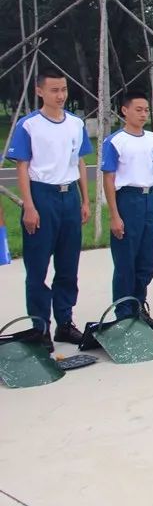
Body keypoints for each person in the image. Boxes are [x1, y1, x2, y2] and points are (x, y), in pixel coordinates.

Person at [6, 68, 92, 349]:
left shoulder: (76, 124)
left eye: (64, 90)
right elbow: (22, 167)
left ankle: (65, 323)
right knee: (38, 267)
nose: (61, 96)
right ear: (40, 91)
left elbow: (79, 161)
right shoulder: (28, 125)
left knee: (68, 266)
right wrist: (28, 206)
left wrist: (85, 200)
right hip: (42, 197)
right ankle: (40, 327)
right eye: (54, 90)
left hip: (69, 197)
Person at [102, 91, 153, 328]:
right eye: (138, 109)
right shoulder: (116, 141)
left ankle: (139, 307)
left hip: (149, 200)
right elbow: (108, 178)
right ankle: (124, 312)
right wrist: (115, 215)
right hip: (127, 201)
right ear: (125, 111)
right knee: (125, 262)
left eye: (146, 110)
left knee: (146, 261)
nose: (143, 114)